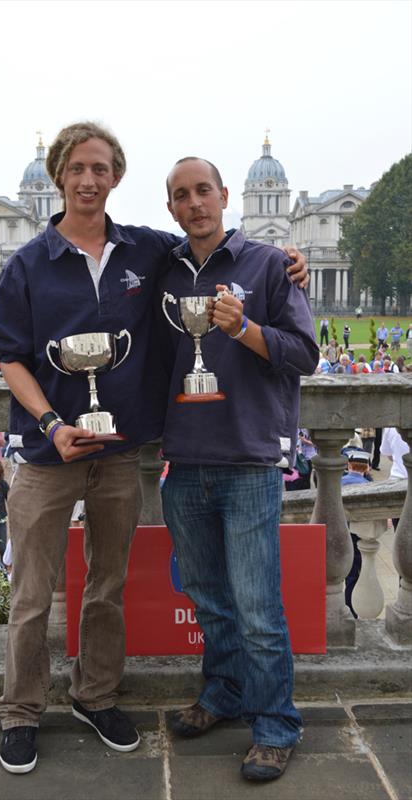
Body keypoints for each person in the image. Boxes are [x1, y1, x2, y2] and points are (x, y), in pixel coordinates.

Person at [0, 121, 309, 776]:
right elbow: (8, 359)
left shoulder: (160, 252)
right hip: (73, 453)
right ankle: (21, 711)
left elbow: (279, 324)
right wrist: (50, 422)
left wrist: (279, 269)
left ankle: (108, 698)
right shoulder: (42, 263)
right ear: (59, 176)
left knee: (133, 592)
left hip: (163, 455)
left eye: (100, 168)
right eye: (77, 168)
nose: (88, 179)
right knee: (37, 595)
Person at [159, 156, 319, 783]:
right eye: (181, 195)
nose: (194, 202)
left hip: (249, 457)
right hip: (185, 457)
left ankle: (276, 723)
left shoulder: (272, 264)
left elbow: (304, 353)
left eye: (203, 191)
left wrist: (246, 328)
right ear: (171, 207)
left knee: (257, 606)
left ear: (226, 196)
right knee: (208, 598)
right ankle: (223, 691)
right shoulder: (164, 266)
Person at [341, 450, 371, 617]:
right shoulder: (368, 485)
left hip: (340, 531)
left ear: (349, 465)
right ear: (366, 467)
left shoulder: (339, 481)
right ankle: (352, 609)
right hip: (359, 533)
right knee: (354, 573)